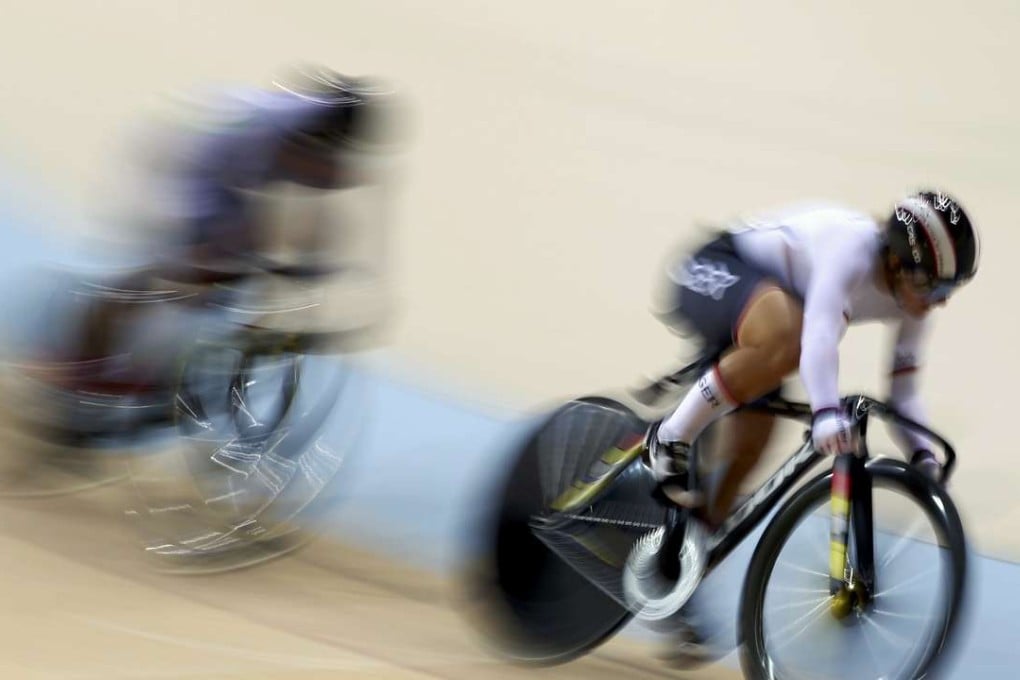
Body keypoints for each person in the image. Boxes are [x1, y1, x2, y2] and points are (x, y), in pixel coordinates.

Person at [647, 190, 979, 536]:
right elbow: (818, 338)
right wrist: (824, 411)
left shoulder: (913, 301)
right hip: (717, 265)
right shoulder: (851, 247)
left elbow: (904, 396)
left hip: (769, 310)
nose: (938, 303)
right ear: (896, 263)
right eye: (932, 288)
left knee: (749, 449)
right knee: (788, 336)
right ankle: (669, 437)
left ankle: (692, 540)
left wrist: (924, 457)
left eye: (947, 291)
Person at [65, 65, 403, 391]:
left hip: (226, 174)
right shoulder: (278, 130)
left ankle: (165, 354)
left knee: (239, 261)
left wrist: (354, 281)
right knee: (188, 266)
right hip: (187, 164)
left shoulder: (315, 136)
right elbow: (261, 217)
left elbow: (338, 211)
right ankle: (88, 358)